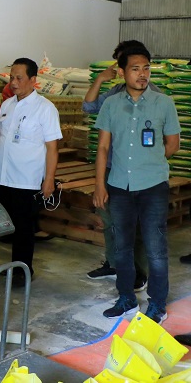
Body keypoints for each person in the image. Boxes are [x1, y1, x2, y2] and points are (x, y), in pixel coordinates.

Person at [94, 45, 180, 325]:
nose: (143, 74)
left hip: (153, 185)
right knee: (122, 247)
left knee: (156, 247)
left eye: (146, 68)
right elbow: (103, 148)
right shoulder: (111, 104)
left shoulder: (163, 103)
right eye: (135, 69)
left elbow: (173, 144)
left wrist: (150, 162)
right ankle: (126, 299)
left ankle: (157, 304)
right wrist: (99, 185)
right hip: (119, 185)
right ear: (121, 72)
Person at [83, 40, 158, 292]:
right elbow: (89, 106)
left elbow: (168, 140)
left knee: (133, 223)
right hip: (112, 165)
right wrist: (100, 79)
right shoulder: (115, 92)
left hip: (136, 169)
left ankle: (138, 272)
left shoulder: (153, 94)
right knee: (108, 216)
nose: (119, 67)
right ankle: (114, 263)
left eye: (141, 67)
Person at [0, 58, 62, 288]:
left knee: (24, 228)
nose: (13, 82)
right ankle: (15, 266)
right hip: (3, 176)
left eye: (19, 78)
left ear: (33, 80)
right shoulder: (7, 106)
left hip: (26, 179)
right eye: (11, 77)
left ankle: (23, 270)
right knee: (6, 226)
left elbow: (52, 148)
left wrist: (49, 179)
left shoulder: (45, 109)